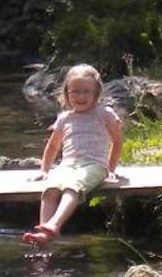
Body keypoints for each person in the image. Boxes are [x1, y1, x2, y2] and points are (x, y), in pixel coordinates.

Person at [23, 64, 124, 247]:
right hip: (68, 165)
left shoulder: (105, 114)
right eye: (75, 91)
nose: (81, 97)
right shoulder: (65, 118)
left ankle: (55, 224)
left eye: (86, 92)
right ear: (67, 92)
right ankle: (43, 231)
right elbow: (53, 145)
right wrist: (44, 170)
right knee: (51, 188)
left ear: (96, 93)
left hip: (94, 165)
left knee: (72, 187)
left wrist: (111, 169)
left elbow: (117, 142)